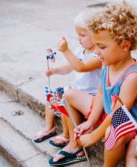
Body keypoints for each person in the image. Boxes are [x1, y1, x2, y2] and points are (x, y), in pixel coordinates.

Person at [49, 2, 137, 167]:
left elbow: (118, 114)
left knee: (114, 131)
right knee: (69, 94)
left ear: (125, 45)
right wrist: (90, 121)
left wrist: (94, 135)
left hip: (128, 125)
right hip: (107, 114)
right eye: (95, 46)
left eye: (102, 47)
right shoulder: (108, 63)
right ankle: (76, 144)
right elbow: (100, 93)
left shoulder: (132, 77)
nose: (96, 52)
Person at [32, 9, 102, 147]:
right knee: (52, 96)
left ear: (97, 35)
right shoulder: (80, 50)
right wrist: (55, 70)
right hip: (77, 90)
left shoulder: (98, 55)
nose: (79, 39)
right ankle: (49, 127)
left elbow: (80, 67)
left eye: (82, 35)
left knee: (64, 99)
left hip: (90, 96)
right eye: (78, 35)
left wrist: (66, 50)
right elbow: (70, 66)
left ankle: (65, 134)